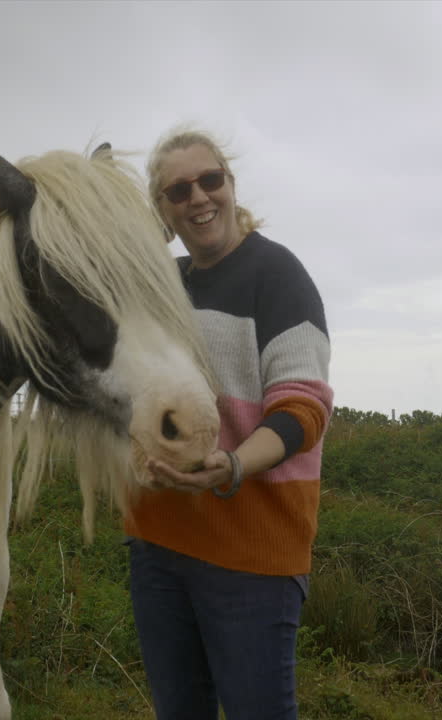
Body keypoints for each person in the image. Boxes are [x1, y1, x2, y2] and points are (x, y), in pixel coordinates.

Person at [125, 127, 333, 720]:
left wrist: (234, 464)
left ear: (231, 185)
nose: (197, 197)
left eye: (209, 180)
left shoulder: (278, 275)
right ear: (162, 210)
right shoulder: (158, 284)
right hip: (158, 542)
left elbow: (302, 407)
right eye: (177, 191)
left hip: (252, 551)